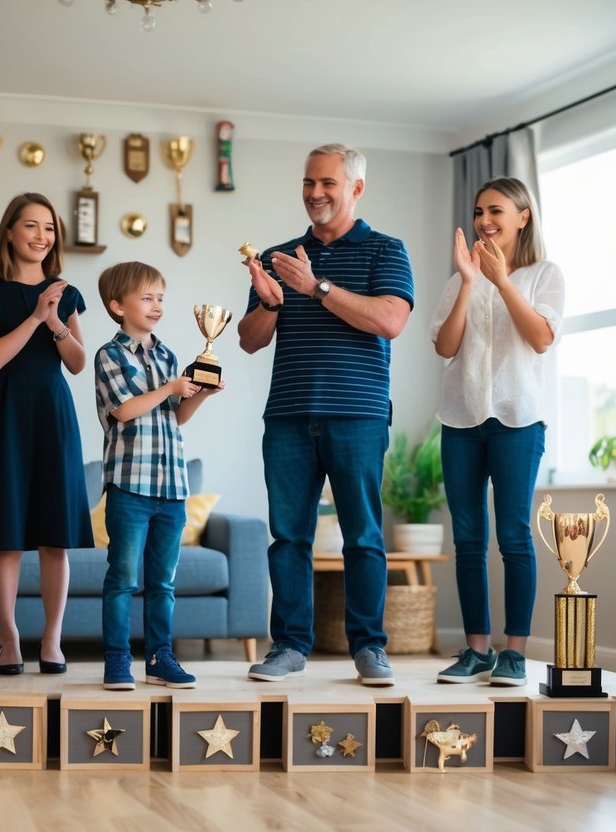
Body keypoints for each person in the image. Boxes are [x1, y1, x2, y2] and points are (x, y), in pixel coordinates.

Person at [237, 143, 413, 687]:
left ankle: (369, 648)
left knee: (363, 535)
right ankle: (288, 646)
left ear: (355, 189)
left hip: (357, 415)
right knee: (288, 535)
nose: (315, 193)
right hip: (288, 415)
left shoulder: (386, 250)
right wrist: (270, 301)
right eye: (309, 183)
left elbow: (390, 320)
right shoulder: (277, 257)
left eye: (328, 184)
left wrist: (316, 289)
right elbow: (247, 342)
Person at [429, 176, 565, 686]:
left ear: (522, 217)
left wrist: (502, 280)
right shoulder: (457, 279)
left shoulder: (543, 275)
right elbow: (445, 347)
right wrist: (469, 281)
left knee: (512, 535)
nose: (485, 220)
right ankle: (476, 650)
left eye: (497, 211)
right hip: (461, 420)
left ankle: (514, 653)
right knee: (468, 539)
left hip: (517, 420)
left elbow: (541, 338)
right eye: (480, 211)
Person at [0, 193, 91, 676]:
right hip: (3, 414)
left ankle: (53, 640)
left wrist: (55, 318)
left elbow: (78, 363)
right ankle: (9, 637)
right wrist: (36, 315)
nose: (42, 236)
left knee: (56, 537)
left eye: (50, 228)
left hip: (52, 413)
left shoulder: (66, 292)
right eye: (32, 226)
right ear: (10, 232)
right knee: (7, 537)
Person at [94, 261, 223, 690]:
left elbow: (177, 417)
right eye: (146, 298)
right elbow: (124, 410)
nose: (156, 306)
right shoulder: (109, 355)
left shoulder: (167, 355)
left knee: (163, 583)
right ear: (117, 306)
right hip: (131, 486)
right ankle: (116, 660)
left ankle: (159, 657)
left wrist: (200, 394)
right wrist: (170, 388)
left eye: (160, 298)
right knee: (122, 578)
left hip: (171, 487)